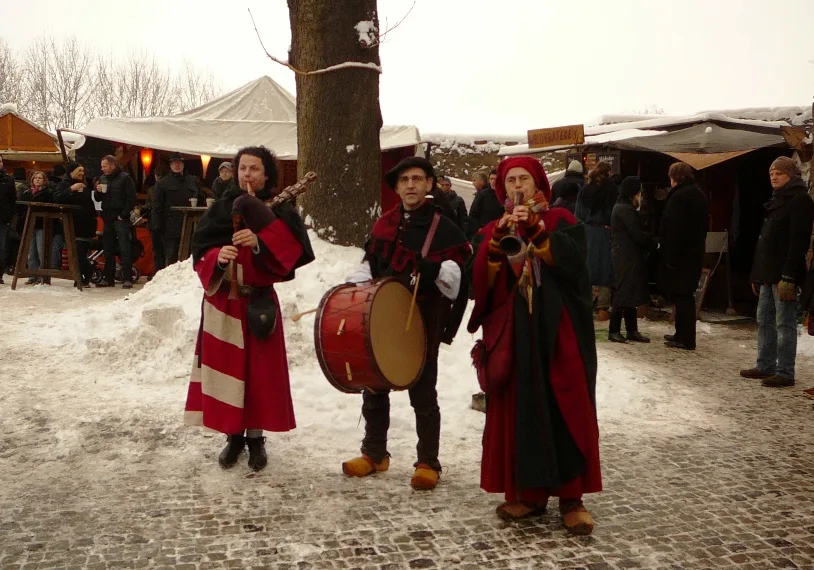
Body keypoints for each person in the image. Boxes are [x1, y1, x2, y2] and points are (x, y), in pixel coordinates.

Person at [467, 156, 601, 535]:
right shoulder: (492, 228)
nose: (517, 186)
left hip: (560, 333)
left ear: (538, 182)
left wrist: (538, 229)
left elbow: (575, 265)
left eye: (524, 178)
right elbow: (480, 283)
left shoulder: (563, 221)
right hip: (515, 336)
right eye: (511, 181)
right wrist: (496, 241)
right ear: (502, 188)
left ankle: (572, 498)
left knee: (566, 408)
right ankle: (529, 494)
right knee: (521, 412)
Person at [341, 156, 471, 491]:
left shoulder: (444, 226)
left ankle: (428, 461)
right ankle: (375, 453)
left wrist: (434, 271)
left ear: (429, 184)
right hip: (383, 318)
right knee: (374, 386)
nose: (410, 185)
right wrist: (355, 286)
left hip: (423, 319)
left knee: (423, 391)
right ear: (397, 187)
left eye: (417, 179)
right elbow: (369, 263)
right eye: (404, 180)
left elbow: (457, 279)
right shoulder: (384, 223)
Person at [185, 145, 314, 472]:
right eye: (243, 168)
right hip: (223, 301)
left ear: (266, 174)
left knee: (259, 375)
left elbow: (290, 257)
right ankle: (233, 436)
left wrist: (259, 243)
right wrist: (217, 257)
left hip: (257, 303)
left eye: (254, 169)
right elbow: (198, 251)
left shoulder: (280, 210)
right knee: (228, 372)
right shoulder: (220, 209)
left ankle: (256, 438)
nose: (247, 174)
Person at [741, 157, 814, 387]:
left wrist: (789, 276)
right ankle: (765, 365)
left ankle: (785, 371)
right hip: (767, 273)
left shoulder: (800, 200)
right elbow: (765, 242)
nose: (774, 176)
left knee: (784, 324)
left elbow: (798, 242)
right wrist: (757, 275)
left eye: (779, 173)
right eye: (771, 173)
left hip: (783, 274)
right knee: (764, 320)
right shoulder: (776, 200)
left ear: (791, 175)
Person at [658, 162, 709, 350]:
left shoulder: (680, 196)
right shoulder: (699, 194)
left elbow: (673, 228)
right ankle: (681, 333)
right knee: (684, 295)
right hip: (694, 253)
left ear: (675, 177)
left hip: (681, 256)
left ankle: (685, 338)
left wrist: (669, 256)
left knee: (683, 297)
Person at [608, 176, 654, 343]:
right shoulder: (625, 210)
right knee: (624, 291)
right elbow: (637, 235)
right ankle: (614, 330)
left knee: (629, 290)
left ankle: (631, 330)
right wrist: (653, 244)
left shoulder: (621, 207)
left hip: (624, 254)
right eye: (639, 192)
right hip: (626, 255)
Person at [576, 161, 617, 320]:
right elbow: (614, 212)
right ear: (608, 172)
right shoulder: (612, 189)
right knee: (605, 270)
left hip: (587, 231)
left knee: (587, 269)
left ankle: (585, 306)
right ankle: (603, 310)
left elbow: (578, 213)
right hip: (605, 231)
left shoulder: (585, 190)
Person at [151, 152, 204, 267]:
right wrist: (156, 226)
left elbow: (201, 199)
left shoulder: (192, 181)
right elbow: (156, 206)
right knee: (171, 257)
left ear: (183, 165)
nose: (177, 165)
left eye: (179, 163)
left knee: (191, 258)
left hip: (191, 226)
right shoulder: (162, 183)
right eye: (174, 163)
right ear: (170, 165)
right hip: (170, 226)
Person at [94, 155, 137, 289]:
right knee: (108, 248)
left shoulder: (125, 178)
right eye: (102, 166)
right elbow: (98, 198)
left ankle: (127, 278)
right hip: (107, 217)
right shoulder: (102, 178)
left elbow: (131, 198)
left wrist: (123, 215)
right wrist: (98, 191)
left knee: (124, 248)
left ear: (112, 165)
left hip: (120, 217)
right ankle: (108, 278)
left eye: (104, 166)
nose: (102, 169)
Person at [53, 161, 97, 286]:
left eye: (83, 171)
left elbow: (90, 206)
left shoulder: (85, 185)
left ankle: (85, 276)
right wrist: (71, 189)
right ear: (71, 172)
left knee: (80, 253)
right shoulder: (64, 185)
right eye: (79, 171)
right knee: (75, 254)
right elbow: (57, 199)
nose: (82, 173)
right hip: (70, 225)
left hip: (84, 225)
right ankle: (83, 275)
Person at [19, 171, 55, 285]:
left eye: (40, 178)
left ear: (45, 180)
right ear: (32, 180)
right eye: (36, 178)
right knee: (31, 252)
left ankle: (41, 275)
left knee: (41, 251)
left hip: (42, 225)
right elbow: (21, 208)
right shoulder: (27, 193)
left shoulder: (48, 193)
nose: (38, 180)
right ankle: (32, 275)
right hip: (30, 225)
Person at [468, 170, 503, 239]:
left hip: (499, 234)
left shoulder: (506, 196)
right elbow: (473, 214)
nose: (493, 181)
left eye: (496, 179)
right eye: (491, 179)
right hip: (483, 233)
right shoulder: (483, 194)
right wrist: (478, 228)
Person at [0, 155, 16, 283]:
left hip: (2, 218)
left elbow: (13, 199)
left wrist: (9, 215)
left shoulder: (9, 179)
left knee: (1, 247)